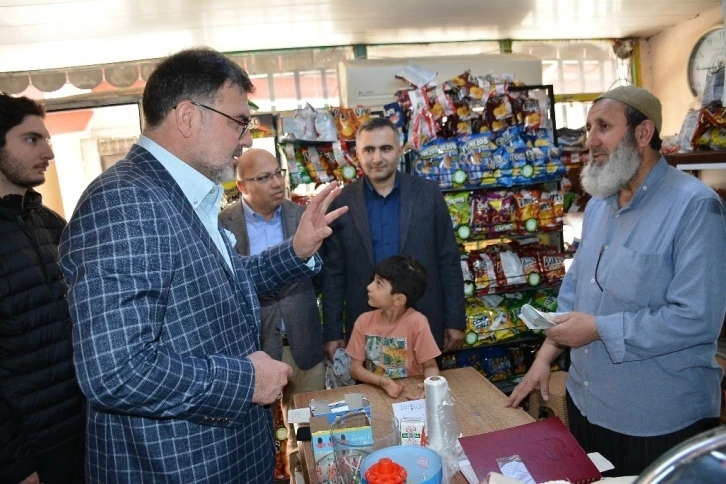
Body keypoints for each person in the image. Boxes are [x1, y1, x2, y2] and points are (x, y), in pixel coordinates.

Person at [58, 48, 346, 484]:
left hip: (221, 459)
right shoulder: (126, 202)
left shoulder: (185, 197)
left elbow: (225, 286)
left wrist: (297, 250)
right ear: (189, 116)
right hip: (179, 467)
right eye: (239, 122)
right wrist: (245, 381)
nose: (248, 139)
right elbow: (115, 369)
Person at [507, 85, 726, 476]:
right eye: (589, 127)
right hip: (587, 407)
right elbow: (575, 291)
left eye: (603, 127)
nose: (590, 140)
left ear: (643, 134)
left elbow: (696, 318)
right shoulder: (599, 206)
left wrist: (597, 329)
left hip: (658, 422)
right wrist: (544, 357)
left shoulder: (695, 207)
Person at [322, 117, 466, 362]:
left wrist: (455, 319)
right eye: (369, 150)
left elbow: (448, 261)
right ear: (357, 153)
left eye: (385, 149)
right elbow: (334, 272)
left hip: (422, 316)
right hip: (367, 321)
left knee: (423, 391)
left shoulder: (428, 194)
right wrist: (333, 331)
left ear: (400, 150)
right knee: (374, 394)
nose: (376, 158)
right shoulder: (341, 202)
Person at [219, 148, 325, 477]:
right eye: (264, 177)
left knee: (311, 431)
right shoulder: (223, 223)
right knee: (263, 437)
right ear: (242, 185)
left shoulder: (302, 216)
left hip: (303, 343)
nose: (277, 182)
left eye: (278, 173)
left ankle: (306, 476)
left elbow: (323, 274)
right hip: (255, 350)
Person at [0, 93, 85, 484]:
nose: (48, 151)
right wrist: (14, 465)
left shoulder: (49, 222)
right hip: (32, 454)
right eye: (32, 139)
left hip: (85, 434)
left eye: (47, 140)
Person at [346, 255, 441, 399]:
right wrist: (382, 382)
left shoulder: (417, 322)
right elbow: (355, 369)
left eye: (379, 283)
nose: (369, 287)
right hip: (375, 391)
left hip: (411, 393)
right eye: (373, 280)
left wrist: (431, 388)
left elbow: (430, 366)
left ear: (398, 299)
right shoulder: (363, 321)